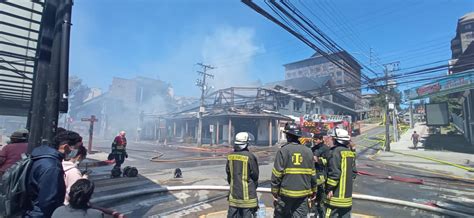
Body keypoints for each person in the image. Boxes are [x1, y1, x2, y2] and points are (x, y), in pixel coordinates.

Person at [25, 130, 83, 217]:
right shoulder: (52, 167)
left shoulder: (40, 157)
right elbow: (48, 200)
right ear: (66, 147)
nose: (76, 152)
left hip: (31, 211)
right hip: (40, 214)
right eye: (76, 148)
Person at [271, 123, 317, 218]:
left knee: (281, 215)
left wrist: (274, 191)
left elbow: (277, 174)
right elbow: (313, 174)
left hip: (285, 194)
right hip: (303, 194)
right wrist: (314, 190)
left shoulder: (283, 151)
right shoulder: (308, 151)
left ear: (288, 136)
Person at [325, 128, 357, 218]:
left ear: (335, 139)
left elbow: (334, 174)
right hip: (347, 197)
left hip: (335, 196)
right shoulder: (350, 153)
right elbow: (354, 173)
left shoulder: (335, 152)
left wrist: (329, 189)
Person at [226, 132, 259, 218]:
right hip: (248, 197)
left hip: (234, 195)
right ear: (247, 143)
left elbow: (229, 175)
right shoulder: (250, 156)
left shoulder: (230, 156)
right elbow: (255, 176)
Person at [311, 133, 330, 218]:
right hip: (314, 175)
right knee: (313, 198)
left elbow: (328, 161)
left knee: (321, 199)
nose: (315, 141)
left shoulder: (326, 149)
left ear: (321, 139)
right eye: (314, 139)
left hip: (322, 175)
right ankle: (314, 213)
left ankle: (322, 214)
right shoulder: (313, 148)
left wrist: (318, 160)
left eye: (317, 139)